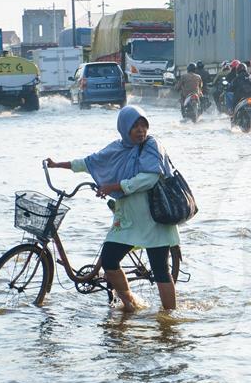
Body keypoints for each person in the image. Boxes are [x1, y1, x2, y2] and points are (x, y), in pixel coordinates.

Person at [45, 105, 179, 312]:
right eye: (135, 126)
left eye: (144, 125)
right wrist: (57, 165)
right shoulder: (117, 148)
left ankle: (170, 322)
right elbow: (90, 162)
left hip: (154, 218)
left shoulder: (152, 146)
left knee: (160, 270)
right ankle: (131, 305)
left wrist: (115, 186)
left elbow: (149, 178)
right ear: (124, 128)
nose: (141, 131)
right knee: (109, 260)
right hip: (128, 219)